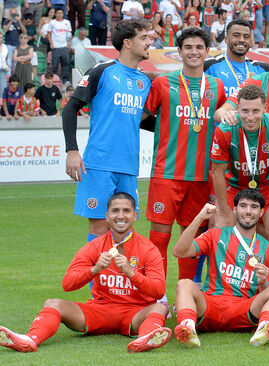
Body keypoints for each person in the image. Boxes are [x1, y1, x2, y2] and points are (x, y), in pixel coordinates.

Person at [0, 193, 170, 354]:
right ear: (107, 216)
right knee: (52, 303)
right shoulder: (95, 246)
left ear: (135, 215)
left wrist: (131, 273)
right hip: (99, 311)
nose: (121, 215)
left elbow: (158, 291)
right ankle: (30, 339)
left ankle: (144, 339)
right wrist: (94, 270)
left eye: (126, 210)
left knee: (159, 307)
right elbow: (67, 284)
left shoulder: (148, 249)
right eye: (115, 211)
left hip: (135, 314)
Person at [143, 27, 229, 285]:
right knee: (159, 236)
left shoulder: (216, 85)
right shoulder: (162, 83)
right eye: (188, 47)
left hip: (203, 176)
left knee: (191, 237)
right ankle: (157, 293)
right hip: (167, 173)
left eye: (199, 47)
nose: (194, 52)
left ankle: (185, 296)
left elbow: (226, 113)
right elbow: (140, 118)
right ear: (178, 52)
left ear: (206, 51)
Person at [63, 21, 152, 241]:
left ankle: (119, 277)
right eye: (144, 38)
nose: (150, 42)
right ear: (127, 43)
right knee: (100, 227)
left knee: (124, 229)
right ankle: (94, 277)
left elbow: (140, 120)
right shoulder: (102, 71)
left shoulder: (144, 81)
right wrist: (72, 151)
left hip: (129, 166)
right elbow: (70, 108)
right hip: (99, 164)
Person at [172, 191, 269, 347]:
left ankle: (264, 329)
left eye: (254, 207)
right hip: (210, 306)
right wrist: (200, 218)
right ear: (235, 209)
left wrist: (263, 283)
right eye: (243, 206)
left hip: (244, 310)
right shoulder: (214, 235)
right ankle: (188, 328)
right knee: (184, 284)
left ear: (261, 212)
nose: (248, 211)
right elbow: (179, 251)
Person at [209, 84, 269, 289]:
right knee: (220, 230)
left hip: (266, 186)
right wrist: (223, 209)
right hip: (234, 187)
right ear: (237, 109)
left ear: (265, 108)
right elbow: (217, 173)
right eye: (245, 110)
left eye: (256, 111)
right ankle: (222, 291)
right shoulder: (226, 129)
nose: (250, 117)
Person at [203, 19, 269, 98]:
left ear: (250, 41)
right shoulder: (207, 66)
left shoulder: (263, 68)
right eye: (236, 35)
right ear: (226, 39)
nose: (241, 40)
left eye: (246, 37)